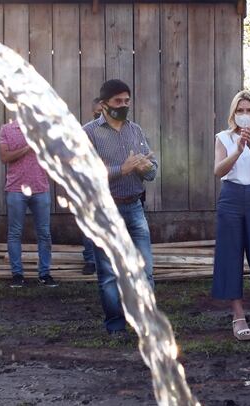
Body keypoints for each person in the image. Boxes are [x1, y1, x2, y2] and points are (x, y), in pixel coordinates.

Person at [83, 79, 158, 337]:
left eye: (126, 101)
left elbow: (152, 167)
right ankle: (115, 325)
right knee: (108, 274)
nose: (123, 105)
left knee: (145, 270)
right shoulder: (88, 133)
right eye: (118, 101)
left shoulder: (135, 130)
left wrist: (147, 169)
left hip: (135, 207)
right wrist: (122, 170)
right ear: (103, 105)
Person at [213, 90, 250, 341]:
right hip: (231, 198)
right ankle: (238, 315)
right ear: (234, 113)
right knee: (231, 256)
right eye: (241, 111)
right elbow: (218, 171)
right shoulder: (224, 138)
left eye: (249, 110)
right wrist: (237, 150)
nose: (245, 115)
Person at [0, 120, 57, 288]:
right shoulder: (7, 129)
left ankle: (45, 274)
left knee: (44, 233)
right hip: (16, 188)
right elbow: (4, 157)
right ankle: (17, 275)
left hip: (40, 188)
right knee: (15, 233)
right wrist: (27, 146)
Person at [81, 97, 104, 276]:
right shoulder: (86, 132)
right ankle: (90, 259)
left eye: (103, 112)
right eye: (97, 112)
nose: (100, 116)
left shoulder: (124, 131)